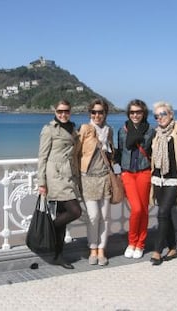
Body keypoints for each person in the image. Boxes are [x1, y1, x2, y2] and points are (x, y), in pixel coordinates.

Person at [37, 99, 82, 269]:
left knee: (63, 219)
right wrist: (41, 182)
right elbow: (42, 157)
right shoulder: (49, 130)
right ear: (55, 111)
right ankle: (47, 230)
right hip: (55, 177)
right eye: (60, 111)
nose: (63, 114)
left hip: (69, 176)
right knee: (75, 211)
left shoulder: (73, 129)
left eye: (66, 111)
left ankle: (58, 254)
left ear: (70, 112)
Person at [149, 101, 177, 265]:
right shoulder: (155, 134)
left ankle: (157, 251)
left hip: (174, 179)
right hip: (157, 179)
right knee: (165, 215)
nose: (160, 118)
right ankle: (173, 248)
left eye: (163, 114)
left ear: (171, 114)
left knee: (162, 213)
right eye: (157, 116)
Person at [117, 99, 155, 259]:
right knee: (137, 209)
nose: (135, 115)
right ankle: (131, 242)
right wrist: (120, 170)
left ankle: (140, 244)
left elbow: (154, 152)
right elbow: (119, 151)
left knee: (144, 210)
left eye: (138, 112)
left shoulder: (151, 131)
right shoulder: (122, 130)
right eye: (132, 112)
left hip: (144, 172)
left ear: (143, 113)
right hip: (128, 174)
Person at [79, 98, 115, 266]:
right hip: (88, 178)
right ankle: (92, 248)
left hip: (105, 178)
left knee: (105, 217)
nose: (97, 115)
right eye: (94, 112)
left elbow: (112, 154)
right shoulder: (85, 129)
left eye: (100, 112)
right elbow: (76, 152)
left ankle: (101, 249)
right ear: (90, 113)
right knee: (93, 216)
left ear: (105, 113)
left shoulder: (109, 131)